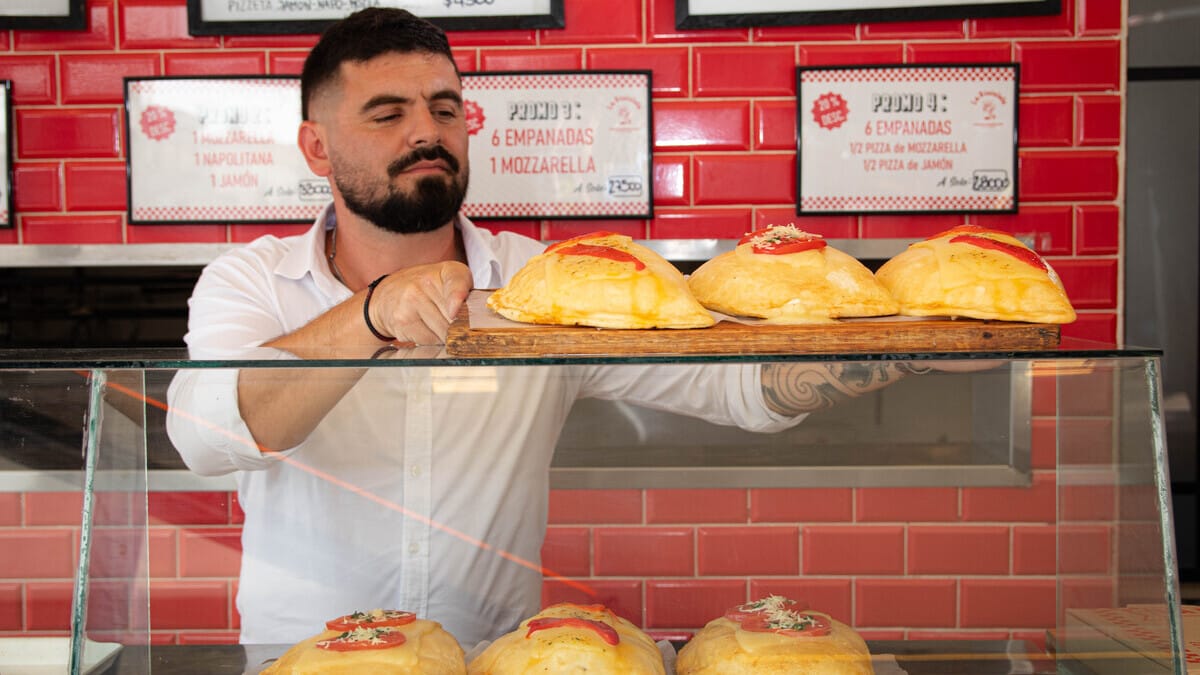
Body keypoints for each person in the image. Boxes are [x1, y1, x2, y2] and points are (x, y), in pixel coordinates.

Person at [165, 7, 931, 649]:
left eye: (443, 107)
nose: (426, 132)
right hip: (307, 660)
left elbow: (732, 383)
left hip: (499, 660)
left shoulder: (551, 283)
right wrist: (374, 313)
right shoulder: (250, 281)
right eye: (387, 112)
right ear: (316, 147)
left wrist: (922, 346)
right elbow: (208, 437)